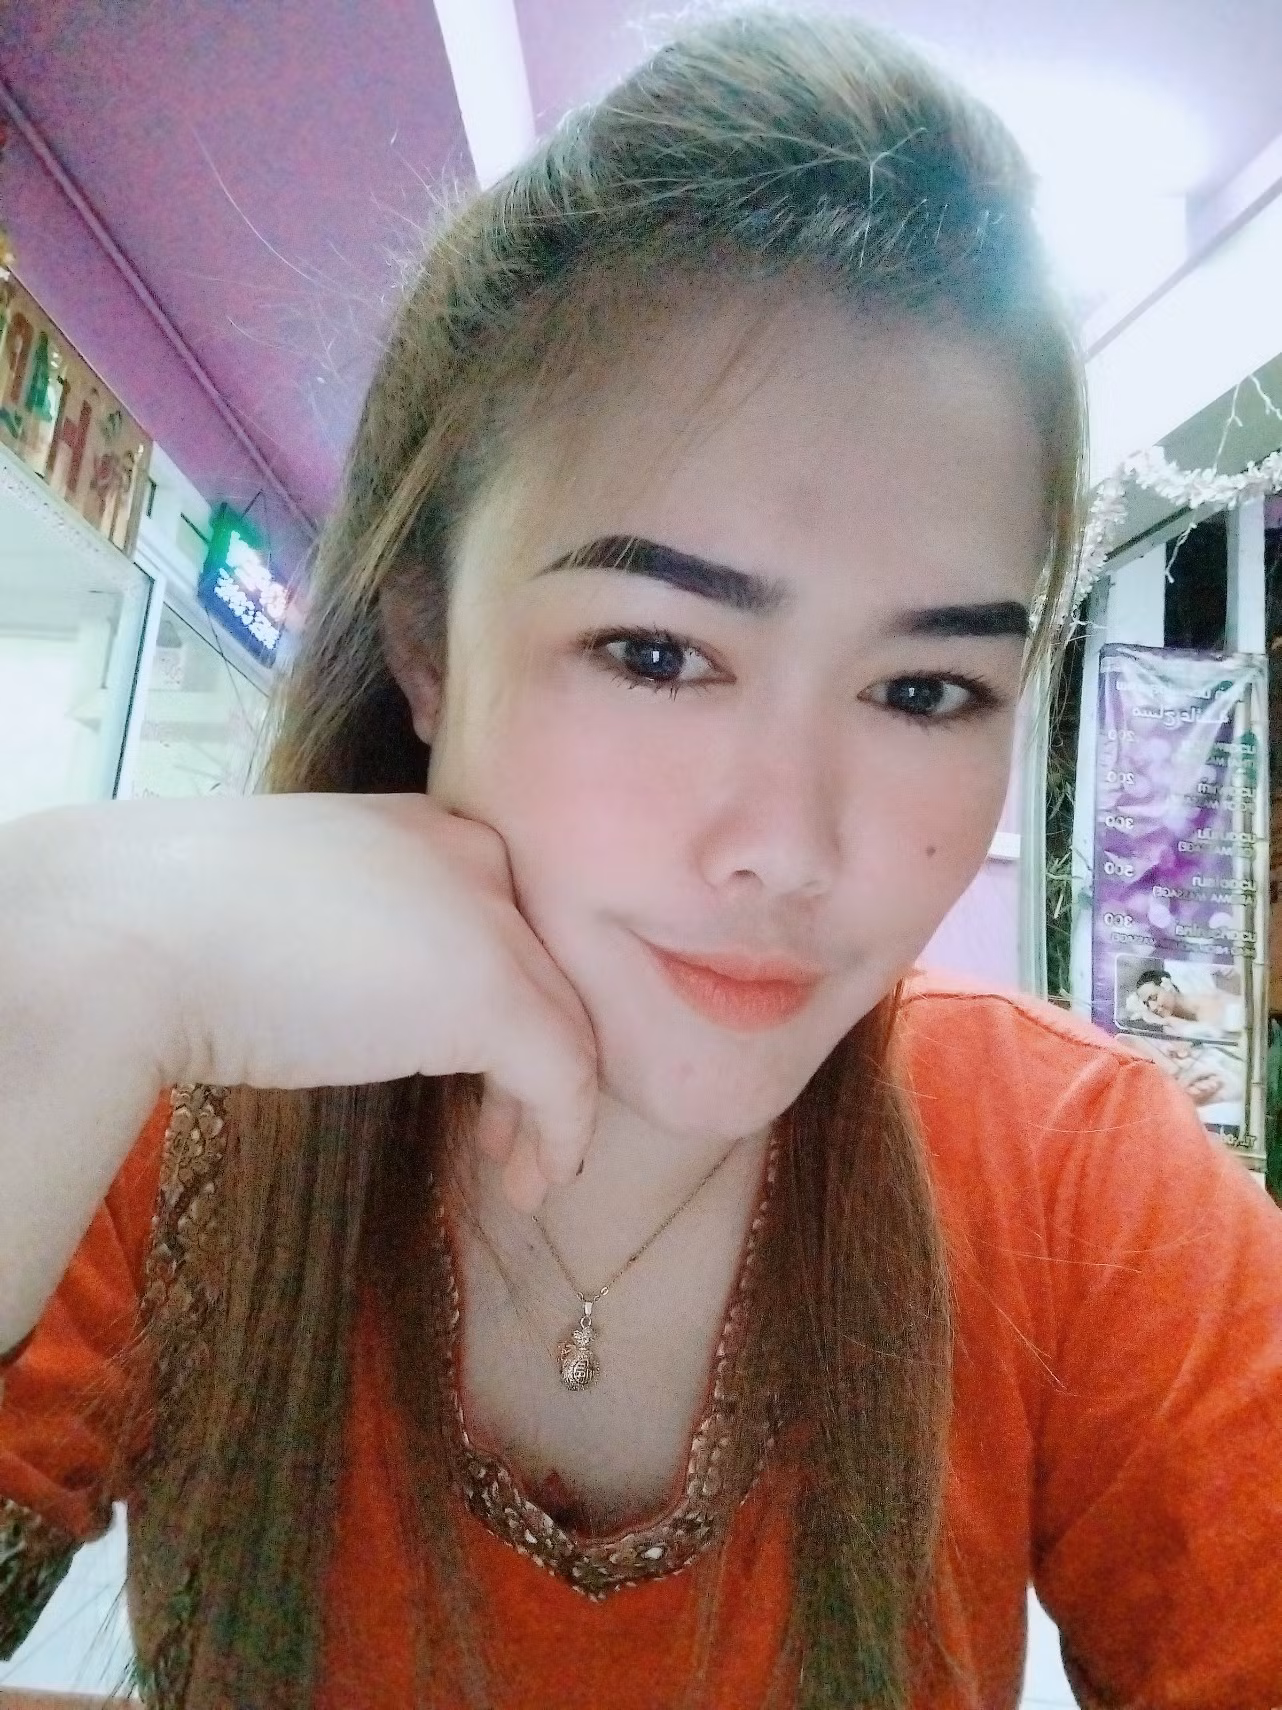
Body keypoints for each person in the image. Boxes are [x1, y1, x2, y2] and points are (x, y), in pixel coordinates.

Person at [1, 11, 1280, 1709]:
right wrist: (52, 950)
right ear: (425, 644)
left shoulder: (1072, 1178)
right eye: (656, 652)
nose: (788, 845)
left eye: (923, 689)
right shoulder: (171, 1114)